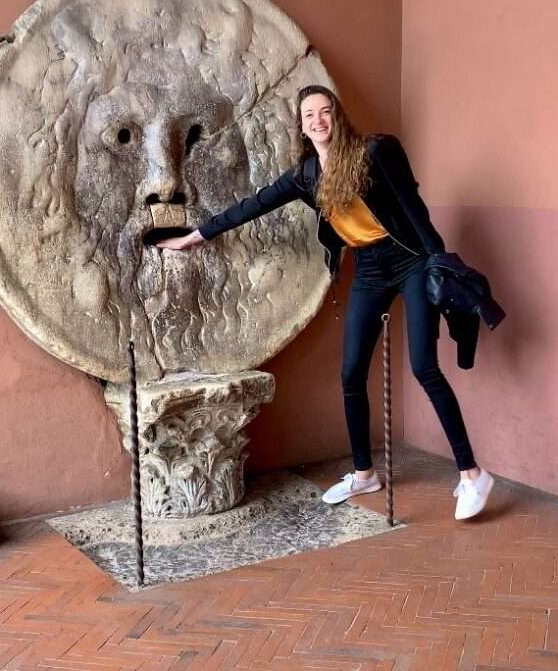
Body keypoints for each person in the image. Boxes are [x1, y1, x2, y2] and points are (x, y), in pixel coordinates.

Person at [156, 85, 494, 521]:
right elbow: (252, 206)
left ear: (337, 115)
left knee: (424, 367)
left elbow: (414, 209)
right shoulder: (307, 175)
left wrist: (437, 262)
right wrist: (194, 237)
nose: (318, 120)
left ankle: (472, 474)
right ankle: (364, 474)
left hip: (410, 259)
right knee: (351, 372)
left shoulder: (375, 152)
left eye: (325, 111)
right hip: (370, 269)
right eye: (309, 115)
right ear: (301, 126)